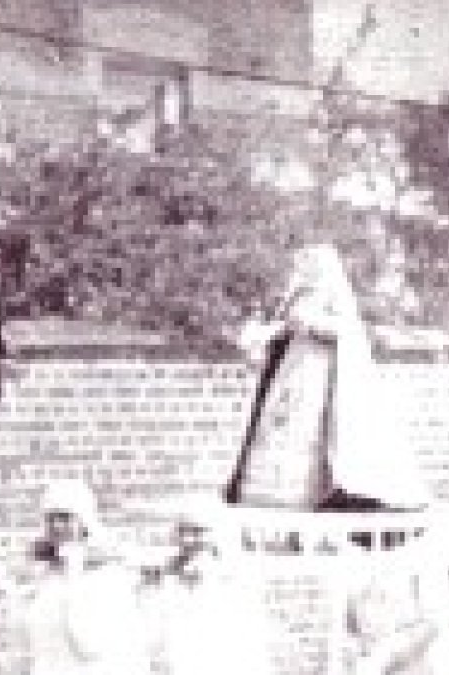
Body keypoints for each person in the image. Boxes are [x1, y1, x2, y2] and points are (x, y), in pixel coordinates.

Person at [223, 243, 419, 511]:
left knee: (312, 429)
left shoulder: (332, 293)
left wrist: (309, 322)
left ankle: (310, 494)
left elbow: (346, 330)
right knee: (281, 424)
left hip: (320, 372)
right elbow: (284, 328)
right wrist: (272, 331)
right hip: (292, 369)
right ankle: (268, 496)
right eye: (301, 262)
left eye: (308, 262)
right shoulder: (295, 296)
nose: (302, 268)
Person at [22, 479, 150, 675]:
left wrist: (75, 571)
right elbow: (38, 641)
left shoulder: (109, 572)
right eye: (50, 518)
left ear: (84, 521)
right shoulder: (48, 573)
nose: (56, 525)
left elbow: (90, 643)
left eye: (65, 517)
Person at [144, 495, 273, 675]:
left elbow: (251, 651)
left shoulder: (237, 583)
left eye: (198, 531)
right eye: (183, 531)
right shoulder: (160, 580)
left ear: (217, 534)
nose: (188, 540)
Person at [344, 505, 449, 675]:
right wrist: (353, 650)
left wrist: (386, 654)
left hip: (408, 667)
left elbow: (432, 623)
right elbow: (348, 622)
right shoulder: (353, 564)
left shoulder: (420, 562)